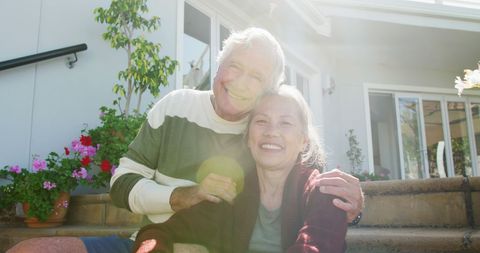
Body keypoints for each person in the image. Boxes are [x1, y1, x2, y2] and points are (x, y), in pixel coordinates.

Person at [7, 27, 362, 253]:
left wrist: (354, 203)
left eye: (256, 76)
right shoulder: (176, 107)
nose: (239, 82)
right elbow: (121, 185)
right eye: (234, 66)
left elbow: (312, 192)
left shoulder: (262, 136)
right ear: (219, 67)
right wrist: (181, 197)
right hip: (151, 239)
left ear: (266, 92)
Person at [134, 85, 348, 253]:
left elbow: (316, 247)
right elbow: (158, 233)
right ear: (248, 138)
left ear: (303, 140)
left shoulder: (324, 192)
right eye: (262, 121)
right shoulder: (232, 192)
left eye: (285, 123)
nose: (271, 131)